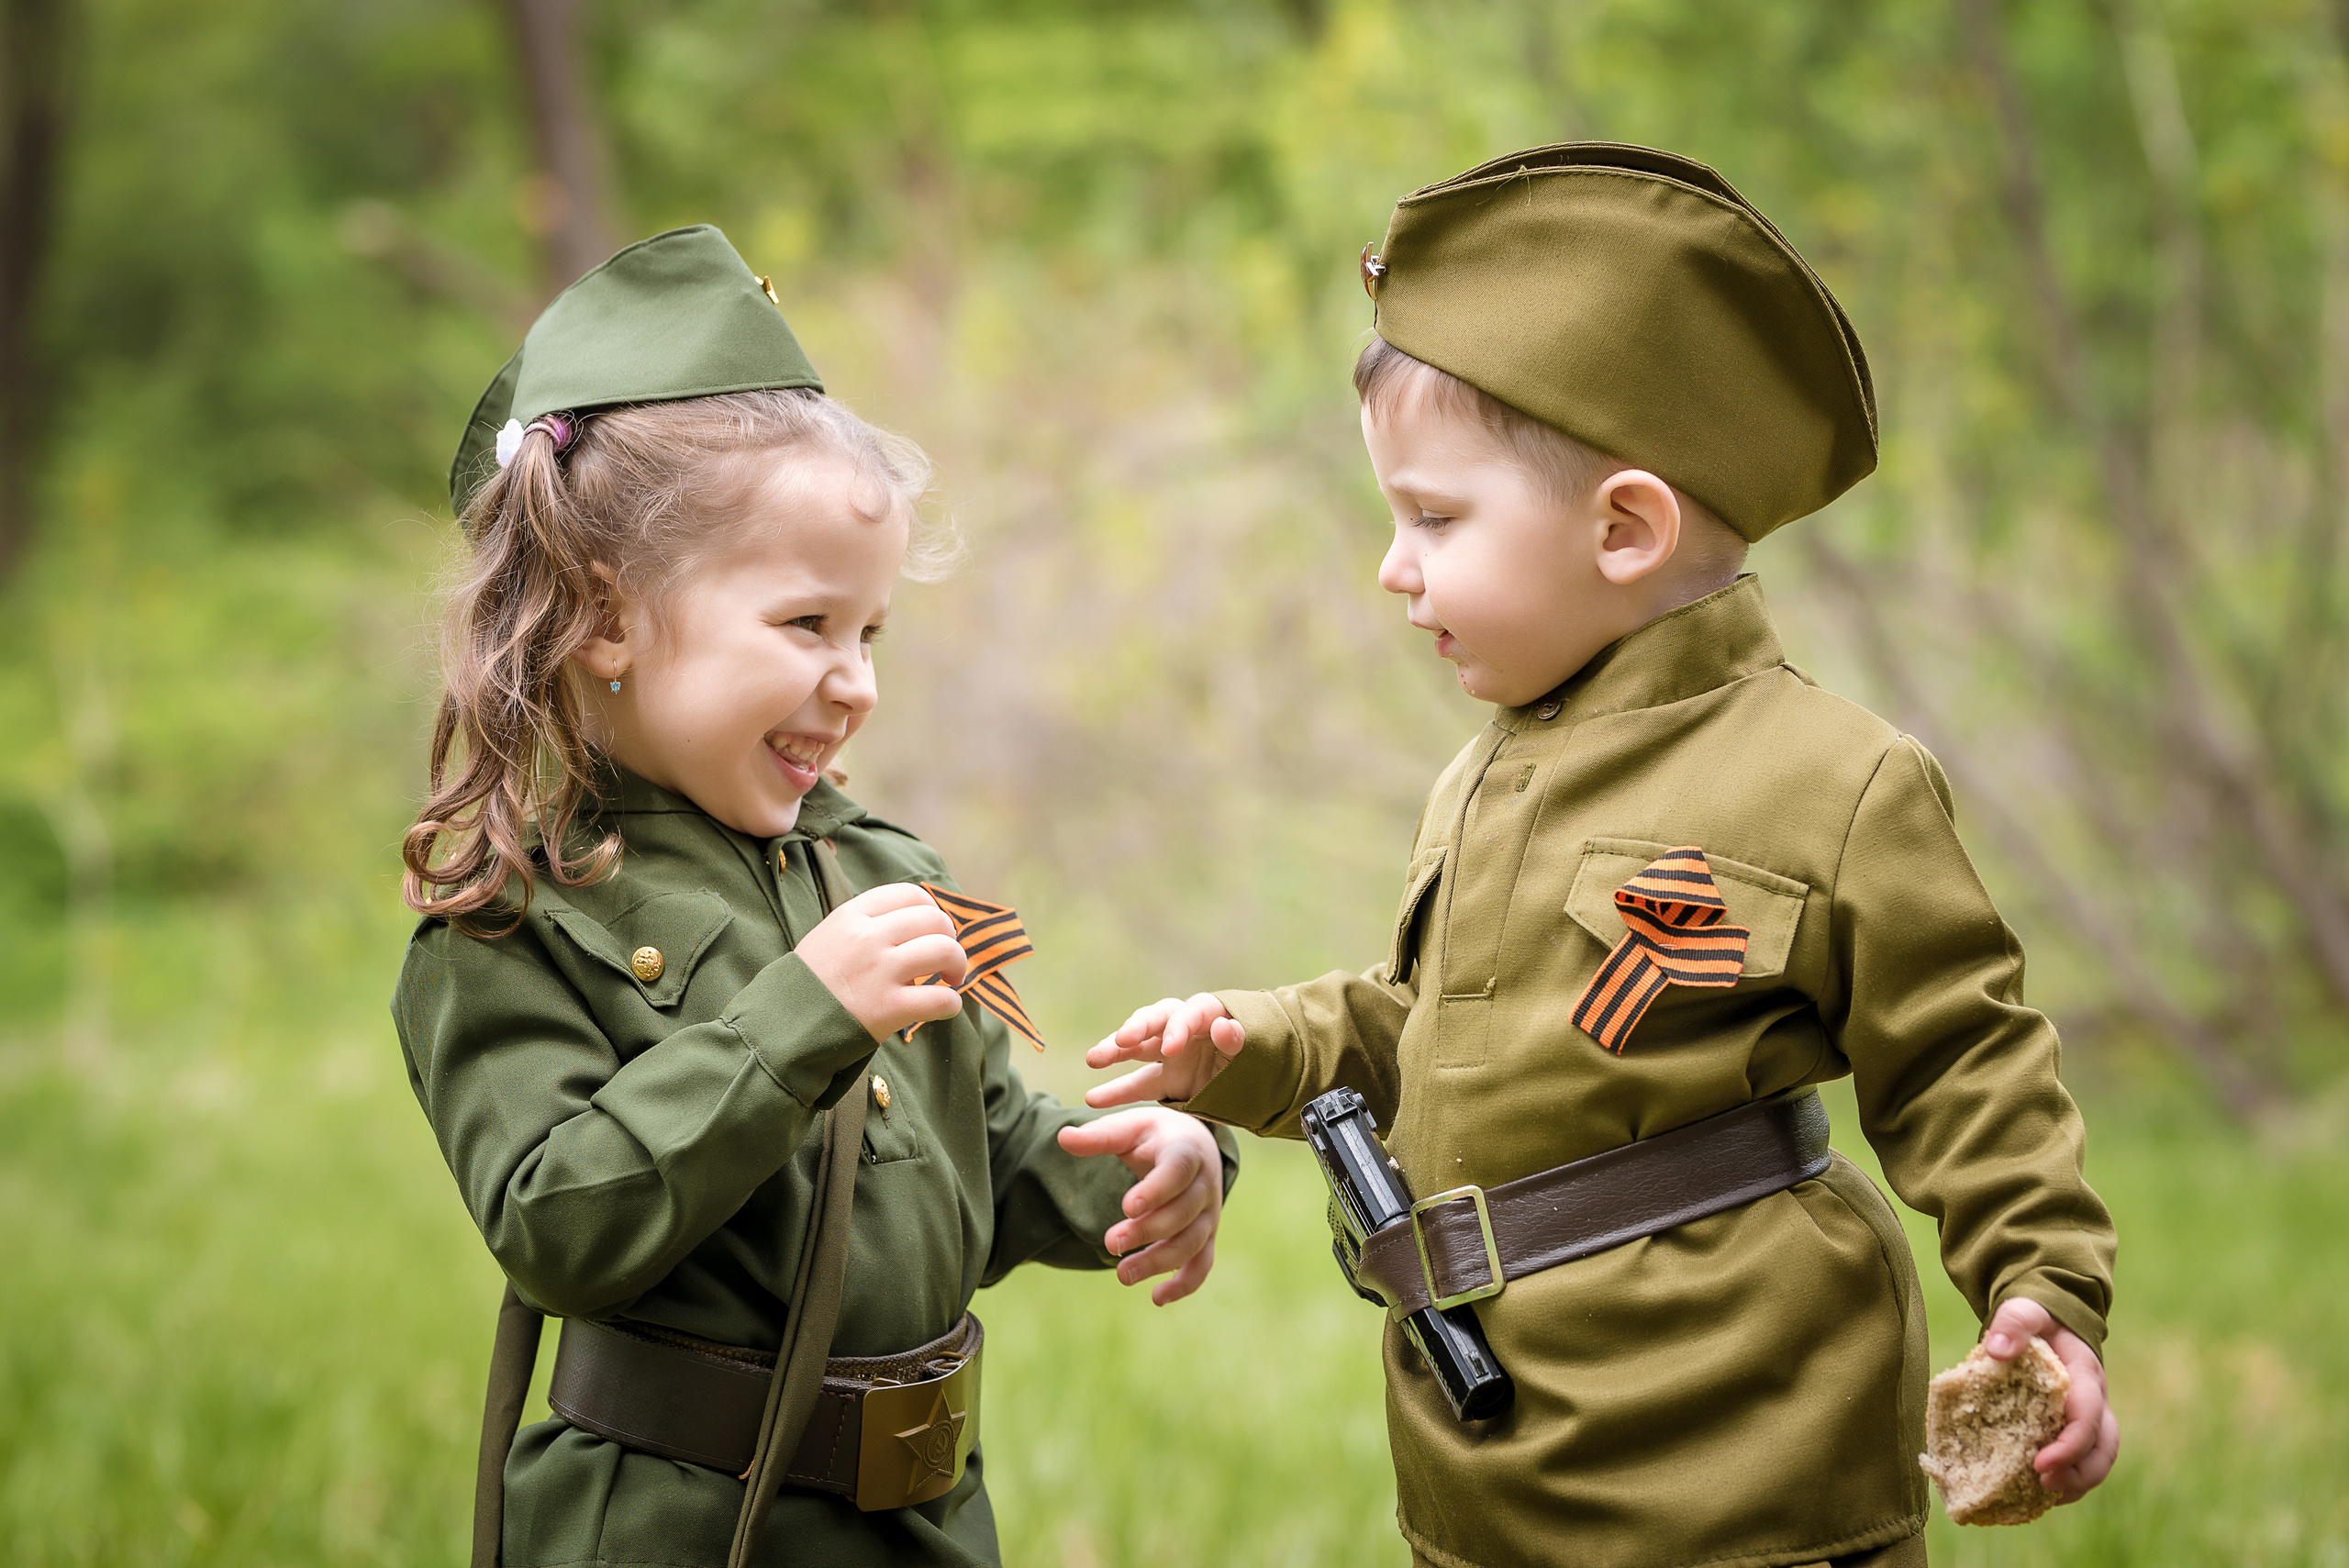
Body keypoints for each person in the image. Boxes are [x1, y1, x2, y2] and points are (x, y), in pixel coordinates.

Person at [1086, 144, 2119, 1568]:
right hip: (1500, 1461)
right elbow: (1426, 1030)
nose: (1394, 564)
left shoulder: (1834, 780)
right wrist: (1251, 1042)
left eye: (1434, 516)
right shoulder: (1483, 777)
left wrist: (2041, 1284)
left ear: (1625, 528)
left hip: (1742, 1454)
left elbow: (1964, 1061)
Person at [392, 225, 1235, 1568]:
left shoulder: (888, 872)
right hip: (679, 1534)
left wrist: (1147, 1161)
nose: (859, 684)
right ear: (605, 620)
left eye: (870, 631)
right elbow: (556, 1226)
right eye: (807, 625)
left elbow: (985, 1151)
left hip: (925, 1528)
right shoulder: (516, 922)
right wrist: (801, 1017)